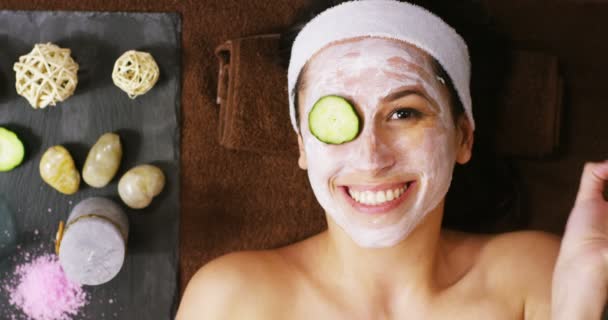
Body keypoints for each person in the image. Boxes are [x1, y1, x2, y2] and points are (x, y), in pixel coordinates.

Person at [177, 1, 608, 319]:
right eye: (336, 118)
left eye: (403, 113)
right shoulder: (232, 299)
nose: (371, 157)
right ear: (303, 147)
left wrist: (584, 302)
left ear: (463, 136)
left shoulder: (535, 273)